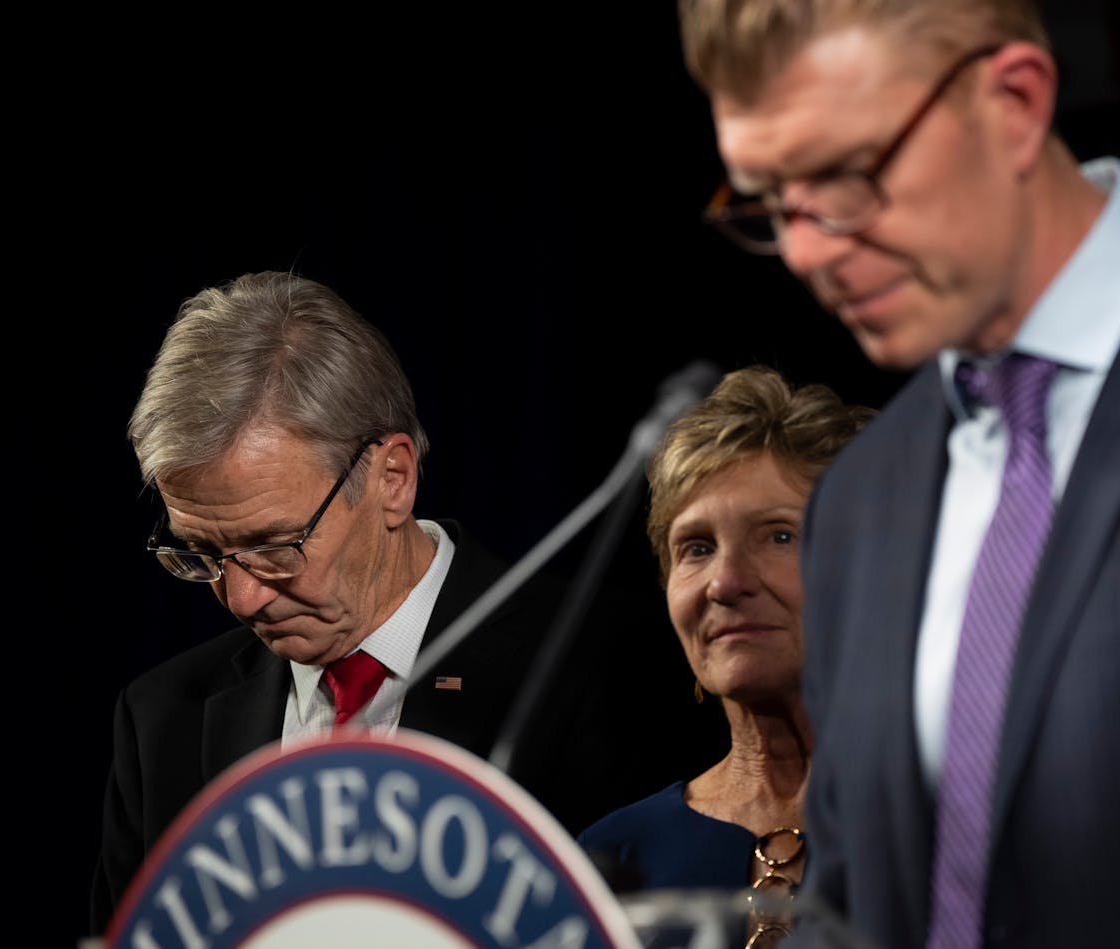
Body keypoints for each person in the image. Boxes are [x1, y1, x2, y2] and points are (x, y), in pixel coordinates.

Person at [677, 2, 1120, 948]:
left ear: (1016, 102)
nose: (807, 250)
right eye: (770, 201)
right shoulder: (864, 497)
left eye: (845, 177)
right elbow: (852, 901)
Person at [89, 270, 709, 935]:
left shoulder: (596, 670)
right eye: (202, 553)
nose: (242, 597)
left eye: (274, 544)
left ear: (393, 478)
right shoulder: (162, 721)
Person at [577, 366, 873, 936]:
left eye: (779, 536)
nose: (724, 581)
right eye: (696, 547)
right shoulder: (611, 859)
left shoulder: (955, 831)